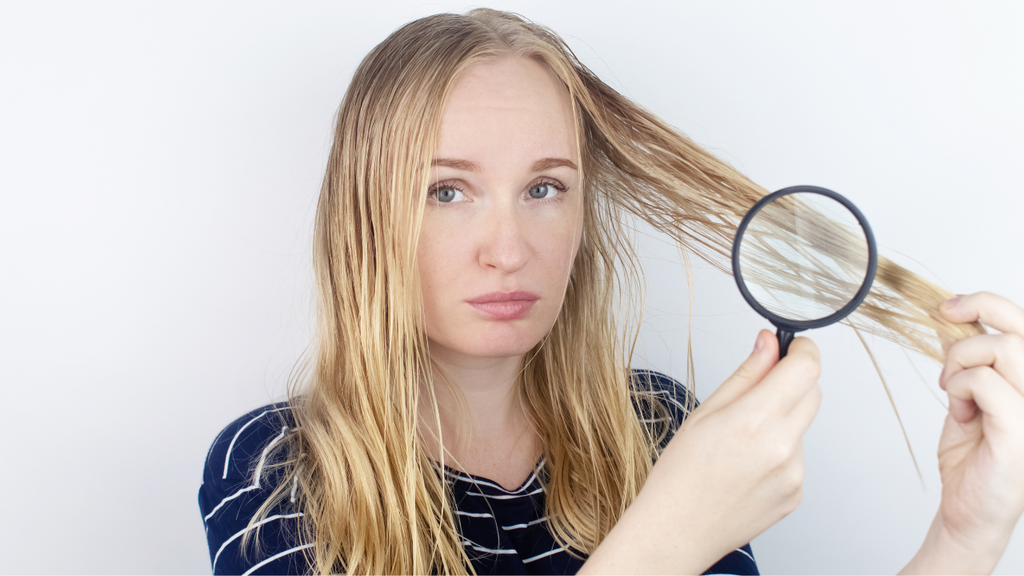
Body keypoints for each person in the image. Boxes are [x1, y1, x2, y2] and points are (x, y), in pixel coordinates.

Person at [198, 8, 1024, 575]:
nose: (509, 249)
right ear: (363, 219)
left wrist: (965, 533)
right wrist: (666, 538)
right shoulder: (278, 470)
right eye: (446, 192)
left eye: (545, 188)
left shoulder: (658, 428)